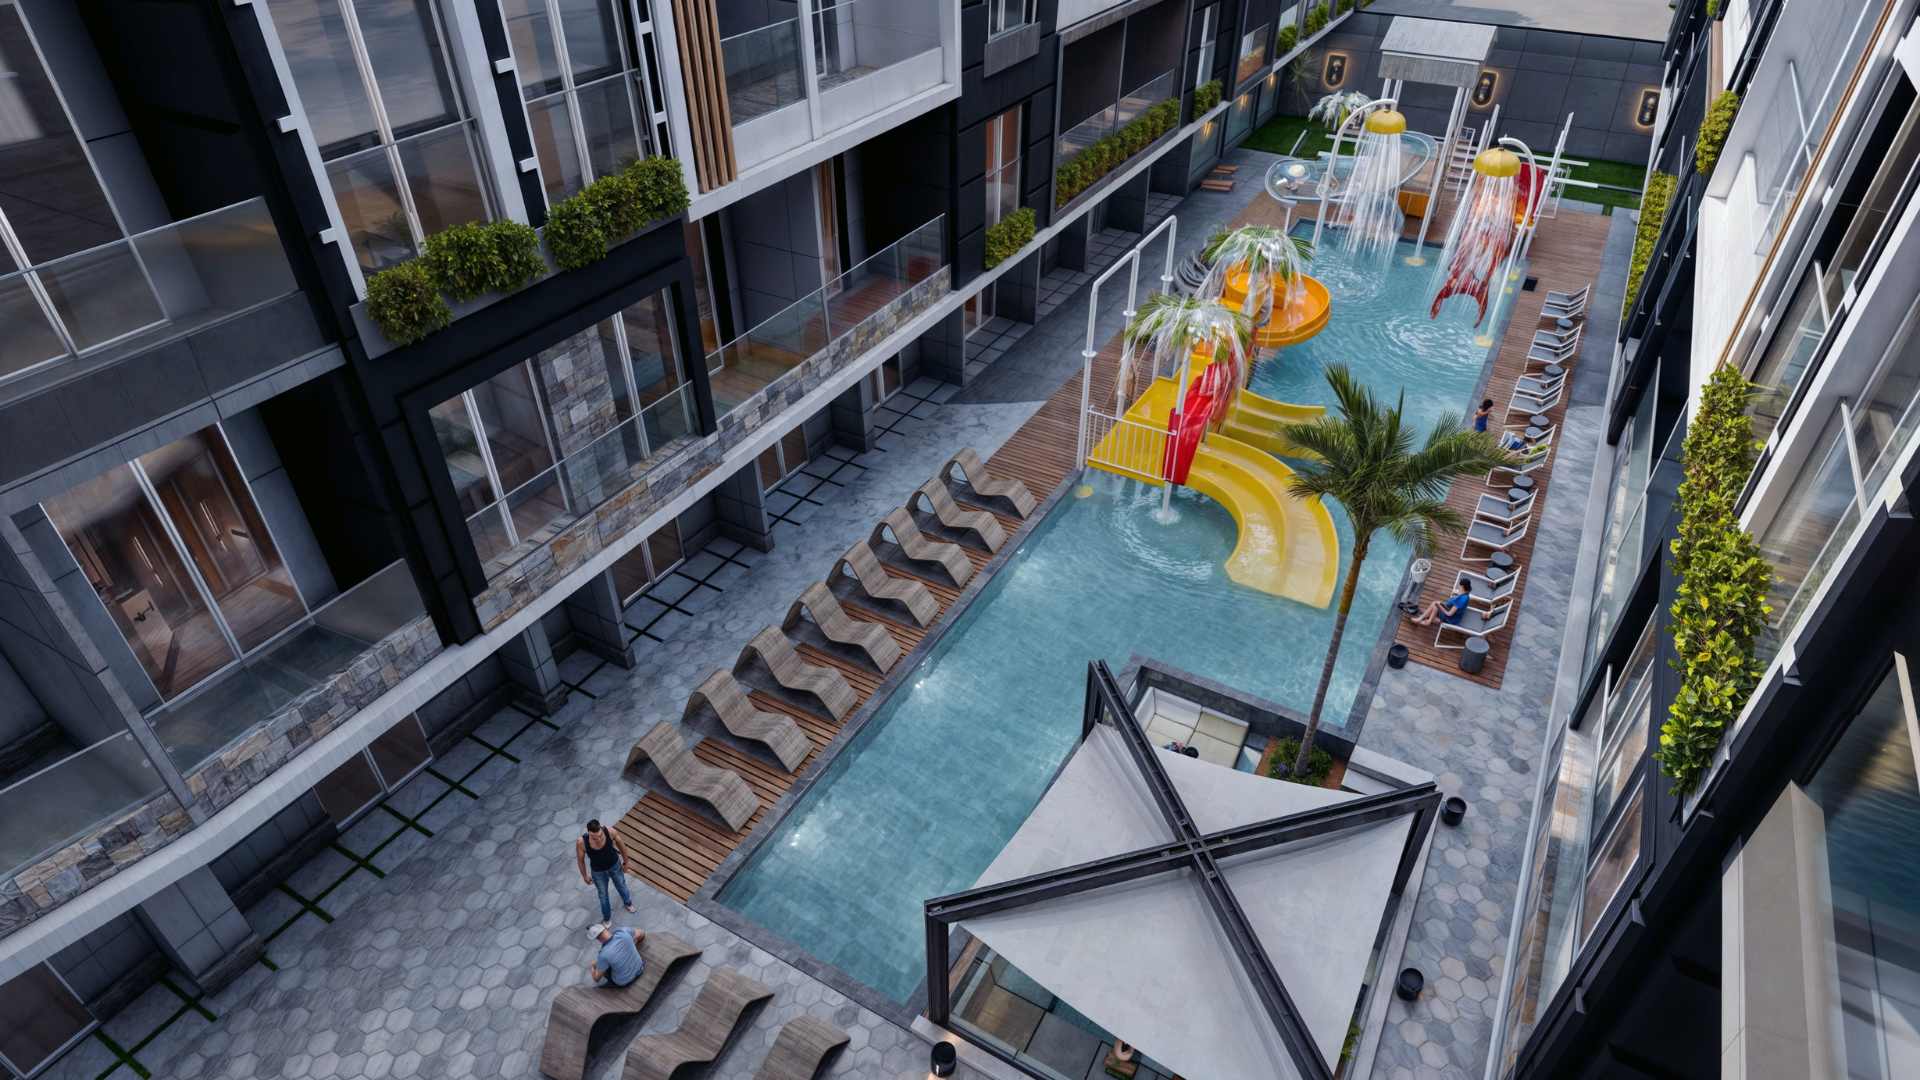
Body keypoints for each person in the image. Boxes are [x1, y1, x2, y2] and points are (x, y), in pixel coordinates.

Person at [576, 819, 636, 921]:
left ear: (601, 828)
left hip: (614, 866)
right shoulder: (581, 842)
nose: (598, 839)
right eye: (594, 838)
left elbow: (622, 846)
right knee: (603, 895)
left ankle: (628, 903)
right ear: (588, 832)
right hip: (598, 872)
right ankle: (607, 918)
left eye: (600, 836)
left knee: (621, 885)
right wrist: (584, 876)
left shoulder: (610, 831)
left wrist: (626, 862)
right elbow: (580, 860)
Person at [588, 923, 647, 987]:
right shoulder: (623, 932)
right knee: (606, 962)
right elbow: (642, 933)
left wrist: (592, 966)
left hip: (624, 981)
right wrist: (631, 942)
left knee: (603, 966)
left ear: (597, 938)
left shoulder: (603, 955)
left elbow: (596, 979)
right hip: (640, 968)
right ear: (605, 928)